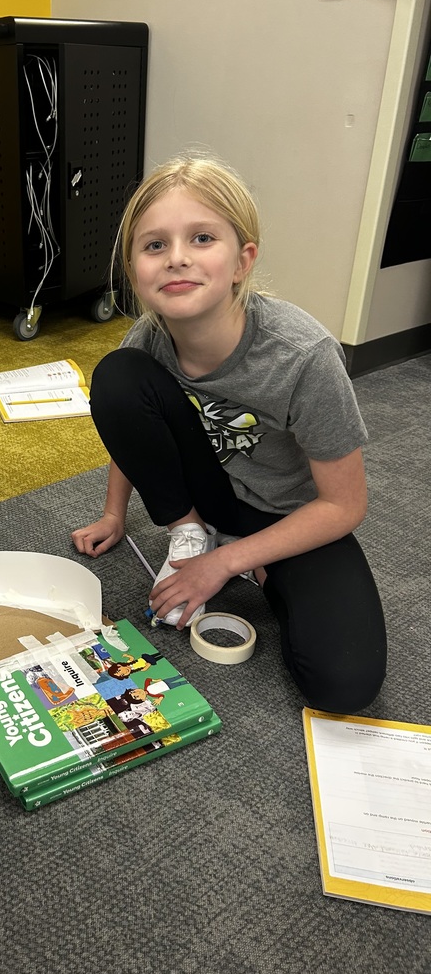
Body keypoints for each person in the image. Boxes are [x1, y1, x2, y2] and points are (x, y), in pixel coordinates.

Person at [72, 155, 386, 714]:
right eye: (154, 246)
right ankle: (192, 531)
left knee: (343, 685)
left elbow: (344, 505)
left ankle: (247, 556)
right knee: (116, 377)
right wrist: (114, 514)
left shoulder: (303, 356)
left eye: (201, 238)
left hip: (293, 513)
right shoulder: (146, 340)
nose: (177, 259)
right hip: (208, 495)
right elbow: (131, 431)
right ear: (134, 269)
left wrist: (227, 564)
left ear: (243, 260)